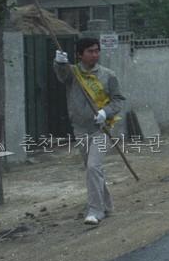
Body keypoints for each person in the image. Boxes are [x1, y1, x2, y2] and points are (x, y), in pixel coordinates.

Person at [54, 37, 126, 225]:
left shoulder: (108, 75)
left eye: (97, 50)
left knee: (93, 167)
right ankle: (107, 205)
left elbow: (118, 100)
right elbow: (61, 76)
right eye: (90, 51)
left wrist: (105, 112)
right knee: (92, 169)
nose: (95, 54)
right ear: (80, 54)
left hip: (102, 129)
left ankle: (95, 210)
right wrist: (59, 63)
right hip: (80, 129)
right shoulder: (73, 73)